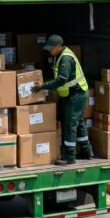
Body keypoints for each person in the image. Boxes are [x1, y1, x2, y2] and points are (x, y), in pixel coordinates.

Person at [33, 34, 93, 165]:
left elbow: (61, 80)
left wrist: (43, 86)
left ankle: (69, 156)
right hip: (73, 93)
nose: (49, 51)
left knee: (70, 124)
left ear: (58, 46)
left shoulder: (65, 58)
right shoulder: (59, 55)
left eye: (51, 48)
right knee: (79, 122)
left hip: (76, 94)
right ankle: (86, 151)